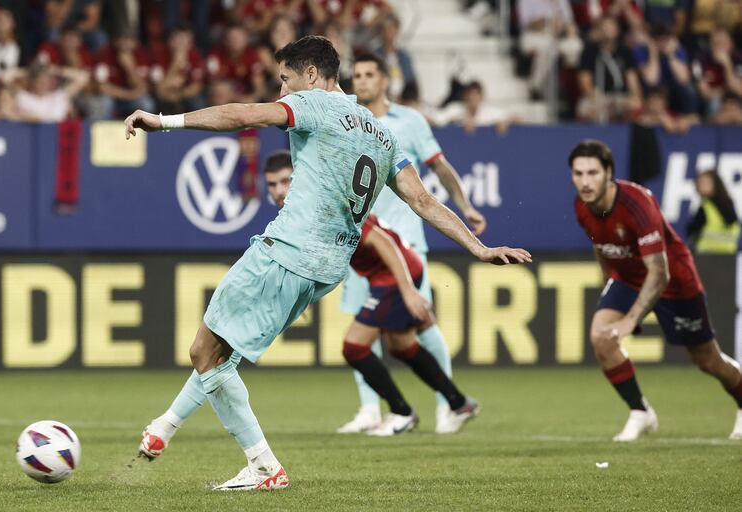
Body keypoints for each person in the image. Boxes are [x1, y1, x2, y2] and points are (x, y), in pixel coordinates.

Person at [125, 35, 531, 491]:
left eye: (285, 79)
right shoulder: (382, 133)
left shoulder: (315, 106)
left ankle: (263, 466)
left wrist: (161, 122)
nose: (282, 92)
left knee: (205, 352)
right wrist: (478, 247)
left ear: (312, 75)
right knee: (220, 352)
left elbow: (240, 115)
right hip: (327, 267)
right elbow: (422, 199)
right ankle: (166, 428)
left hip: (289, 250)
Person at [338, 53, 487, 435]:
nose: (363, 82)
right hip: (362, 245)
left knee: (420, 323)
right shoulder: (347, 120)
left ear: (385, 80)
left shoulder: (410, 121)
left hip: (405, 241)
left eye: (370, 74)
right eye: (357, 76)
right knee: (367, 327)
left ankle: (445, 407)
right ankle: (371, 409)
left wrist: (466, 206)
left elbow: (439, 166)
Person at [569, 139, 742, 442]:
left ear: (608, 172)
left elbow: (659, 272)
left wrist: (629, 320)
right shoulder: (581, 207)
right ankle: (641, 412)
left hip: (674, 280)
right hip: (627, 277)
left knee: (708, 360)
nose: (585, 182)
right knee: (601, 337)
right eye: (578, 174)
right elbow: (602, 248)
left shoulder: (637, 203)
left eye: (592, 173)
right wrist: (608, 287)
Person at [687, 169, 740, 254]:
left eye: (704, 183)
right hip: (729, 254)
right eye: (699, 182)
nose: (700, 185)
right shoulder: (728, 203)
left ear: (715, 184)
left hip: (706, 254)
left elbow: (693, 230)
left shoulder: (706, 207)